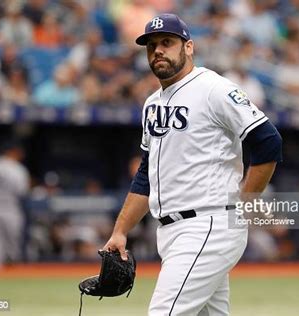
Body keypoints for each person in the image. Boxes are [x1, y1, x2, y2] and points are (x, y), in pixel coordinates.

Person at [102, 13, 282, 315]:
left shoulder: (213, 88)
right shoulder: (152, 104)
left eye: (167, 42)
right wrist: (120, 231)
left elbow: (268, 140)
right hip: (173, 231)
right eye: (152, 45)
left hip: (208, 223)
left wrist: (248, 199)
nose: (158, 50)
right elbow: (146, 174)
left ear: (188, 47)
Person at [0, 140, 30, 269]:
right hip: (10, 207)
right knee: (13, 243)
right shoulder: (17, 168)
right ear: (13, 151)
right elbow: (22, 191)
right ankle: (14, 269)